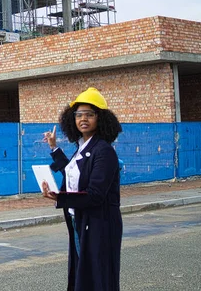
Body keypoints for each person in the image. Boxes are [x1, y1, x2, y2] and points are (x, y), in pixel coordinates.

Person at [42, 87, 123, 291]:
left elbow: (95, 195)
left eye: (89, 114)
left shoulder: (103, 151)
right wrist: (54, 148)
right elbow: (72, 174)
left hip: (99, 223)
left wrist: (59, 198)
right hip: (80, 219)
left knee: (98, 277)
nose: (83, 119)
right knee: (83, 274)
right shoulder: (83, 146)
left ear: (100, 118)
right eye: (79, 115)